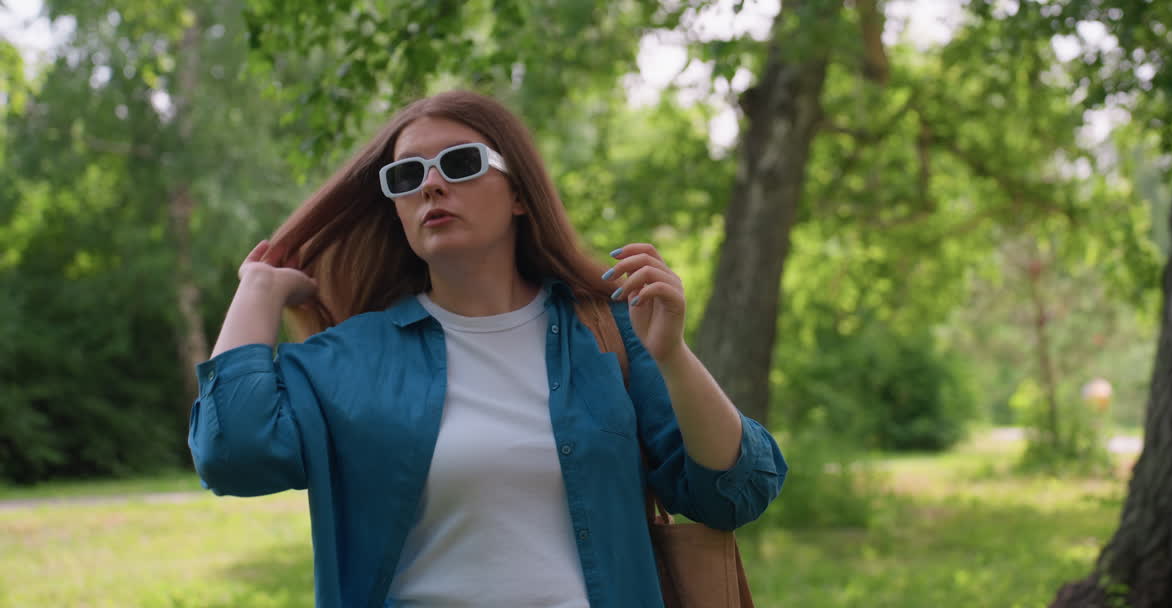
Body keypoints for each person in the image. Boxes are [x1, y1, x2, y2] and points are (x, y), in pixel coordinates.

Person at [190, 89, 787, 608]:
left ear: (520, 194)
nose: (431, 184)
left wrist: (674, 357)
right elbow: (232, 454)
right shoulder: (350, 358)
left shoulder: (608, 330)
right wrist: (259, 290)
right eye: (406, 176)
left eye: (461, 163)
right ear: (395, 207)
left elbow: (735, 492)